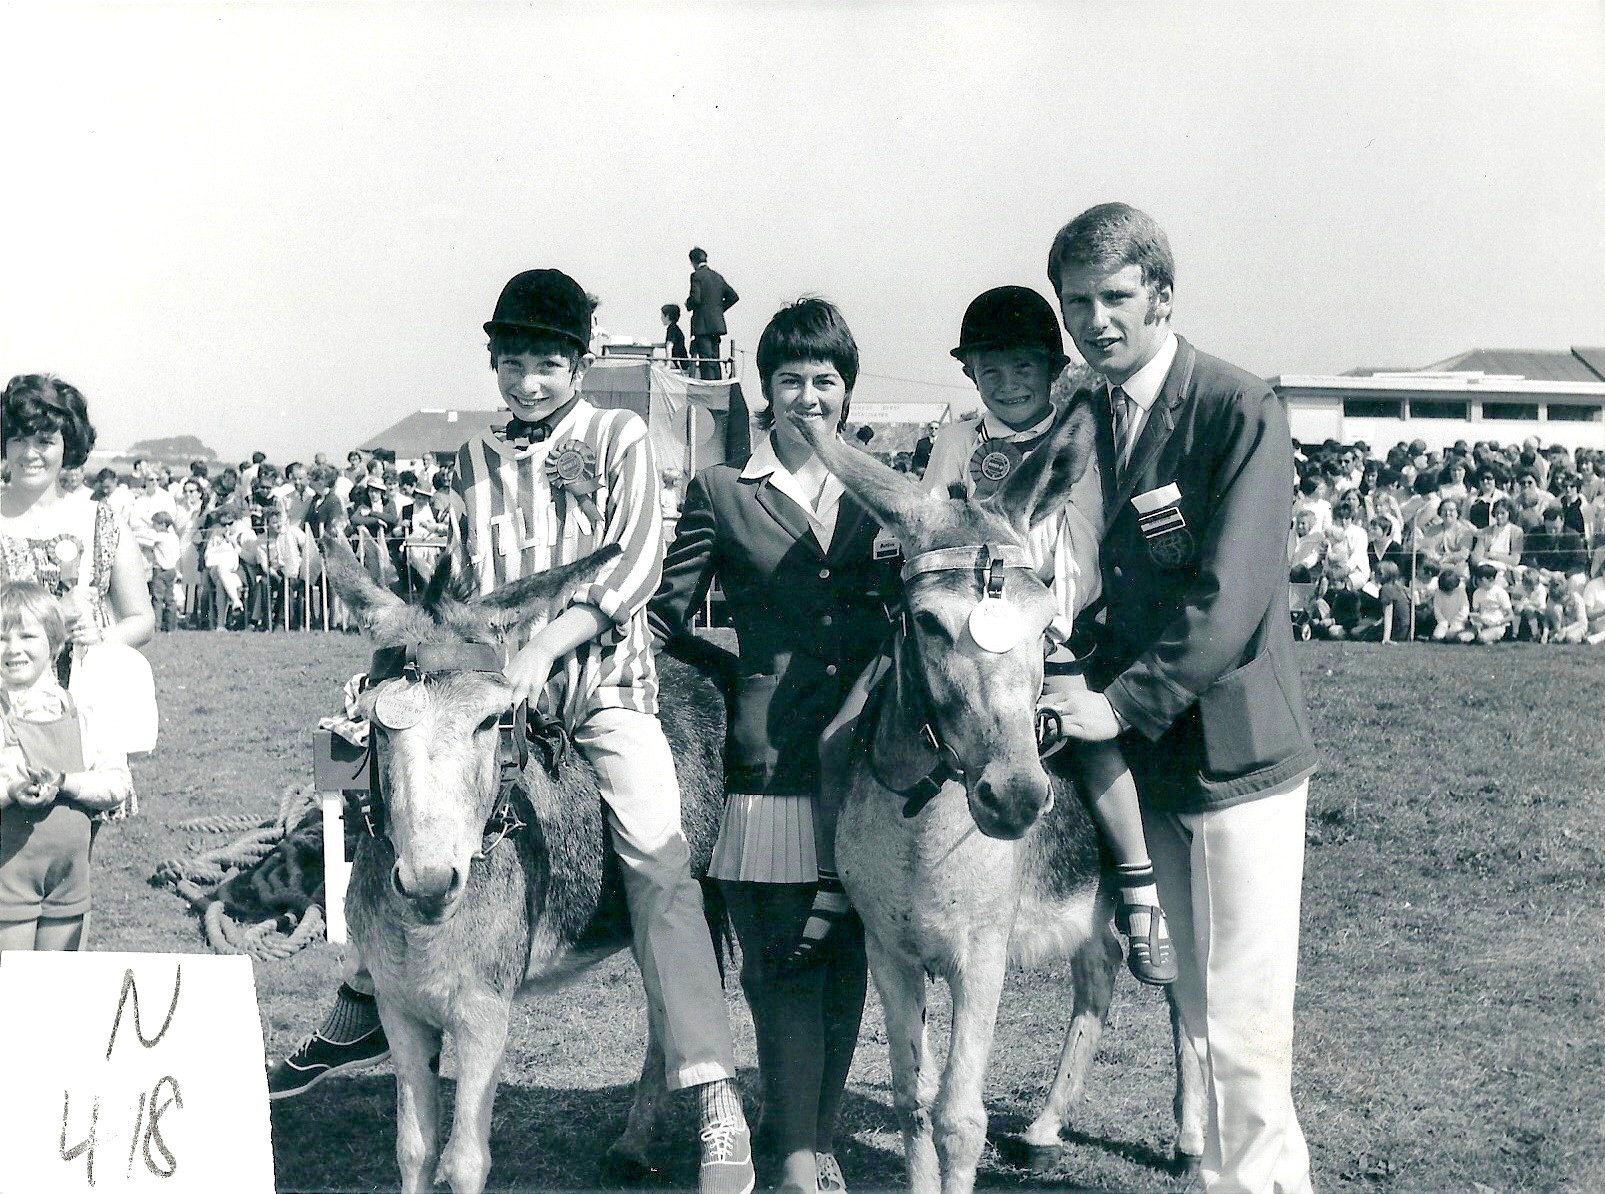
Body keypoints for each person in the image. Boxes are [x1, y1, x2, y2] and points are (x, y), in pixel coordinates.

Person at [269, 268, 755, 1194]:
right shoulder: (479, 453)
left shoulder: (621, 435)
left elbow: (638, 564)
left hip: (602, 684)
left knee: (658, 855)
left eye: (547, 363)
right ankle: (368, 990)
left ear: (577, 360)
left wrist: (552, 647)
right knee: (374, 779)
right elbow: (476, 588)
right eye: (514, 364)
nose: (529, 381)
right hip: (493, 690)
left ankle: (710, 1085)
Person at [1041, 204, 1317, 1194]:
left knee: (1245, 1022)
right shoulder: (1088, 414)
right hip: (1152, 768)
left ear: (1164, 294)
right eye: (1077, 301)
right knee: (1196, 1008)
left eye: (1116, 297)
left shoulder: (1239, 407)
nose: (1096, 319)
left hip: (1239, 755)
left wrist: (1117, 704)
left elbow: (1232, 600)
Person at [650, 298, 890, 1194]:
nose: (807, 396)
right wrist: (740, 680)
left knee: (847, 956)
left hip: (871, 767)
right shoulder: (723, 491)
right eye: (789, 380)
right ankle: (793, 1149)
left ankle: (815, 1131)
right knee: (784, 958)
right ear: (766, 391)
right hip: (772, 768)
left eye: (824, 379)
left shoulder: (881, 488)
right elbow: (663, 620)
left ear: (846, 390)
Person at [909, 283, 1175, 986]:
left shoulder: (1072, 440)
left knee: (1088, 739)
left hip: (1043, 626)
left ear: (1054, 372)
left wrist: (1046, 620)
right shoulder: (958, 439)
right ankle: (869, 879)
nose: (1006, 384)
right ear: (969, 374)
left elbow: (1080, 543)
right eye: (989, 371)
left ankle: (1140, 892)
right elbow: (937, 525)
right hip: (967, 627)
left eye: (1023, 369)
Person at [0, 582, 133, 951]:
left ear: (54, 643)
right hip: (7, 876)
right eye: (1, 637)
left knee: (59, 989)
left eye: (27, 635)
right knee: (10, 991)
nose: (13, 648)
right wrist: (11, 791)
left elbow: (116, 783)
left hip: (68, 878)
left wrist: (66, 782)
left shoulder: (82, 709)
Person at [0, 377, 155, 678]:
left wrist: (102, 642)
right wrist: (55, 614)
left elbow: (141, 619)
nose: (30, 453)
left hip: (87, 700)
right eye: (19, 439)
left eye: (44, 441)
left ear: (66, 445)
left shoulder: (104, 522)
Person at [686, 247, 740, 380]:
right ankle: (718, 388)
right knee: (715, 360)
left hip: (702, 325)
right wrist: (718, 310)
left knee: (706, 361)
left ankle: (709, 391)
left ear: (693, 262)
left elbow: (695, 299)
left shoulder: (696, 276)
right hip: (716, 325)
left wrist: (688, 304)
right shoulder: (717, 276)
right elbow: (733, 296)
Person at [146, 512, 182, 633]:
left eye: (155, 524)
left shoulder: (160, 536)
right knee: (170, 599)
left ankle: (156, 626)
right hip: (171, 570)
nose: (153, 527)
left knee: (157, 599)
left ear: (162, 525)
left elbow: (147, 541)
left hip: (160, 570)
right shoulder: (174, 537)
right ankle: (171, 627)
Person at [1466, 562, 1513, 644]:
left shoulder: (1500, 592)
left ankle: (1491, 638)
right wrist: (1477, 622)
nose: (1477, 581)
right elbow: (1475, 612)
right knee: (1463, 638)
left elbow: (1511, 616)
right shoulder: (1477, 593)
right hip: (1481, 624)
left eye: (1481, 579)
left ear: (1491, 579)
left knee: (1481, 638)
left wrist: (1495, 623)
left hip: (1496, 625)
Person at [1430, 570, 1470, 641]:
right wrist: (1443, 622)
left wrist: (1455, 622)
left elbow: (1464, 609)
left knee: (1455, 636)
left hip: (1458, 622)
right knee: (1437, 637)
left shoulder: (1461, 591)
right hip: (1443, 623)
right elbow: (1437, 610)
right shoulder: (1438, 593)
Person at [662, 302, 690, 372]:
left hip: (678, 363)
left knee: (653, 366)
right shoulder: (675, 328)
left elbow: (669, 346)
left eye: (662, 316)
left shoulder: (671, 329)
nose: (661, 318)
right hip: (682, 361)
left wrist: (667, 365)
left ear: (667, 316)